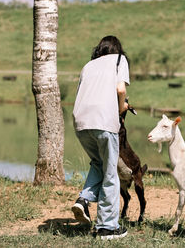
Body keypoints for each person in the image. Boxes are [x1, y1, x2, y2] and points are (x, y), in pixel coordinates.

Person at [71, 35, 129, 240]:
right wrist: (122, 107)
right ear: (117, 49)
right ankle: (107, 227)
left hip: (81, 122)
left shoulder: (89, 65)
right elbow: (120, 89)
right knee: (111, 172)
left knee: (99, 163)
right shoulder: (120, 60)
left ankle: (84, 200)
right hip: (104, 121)